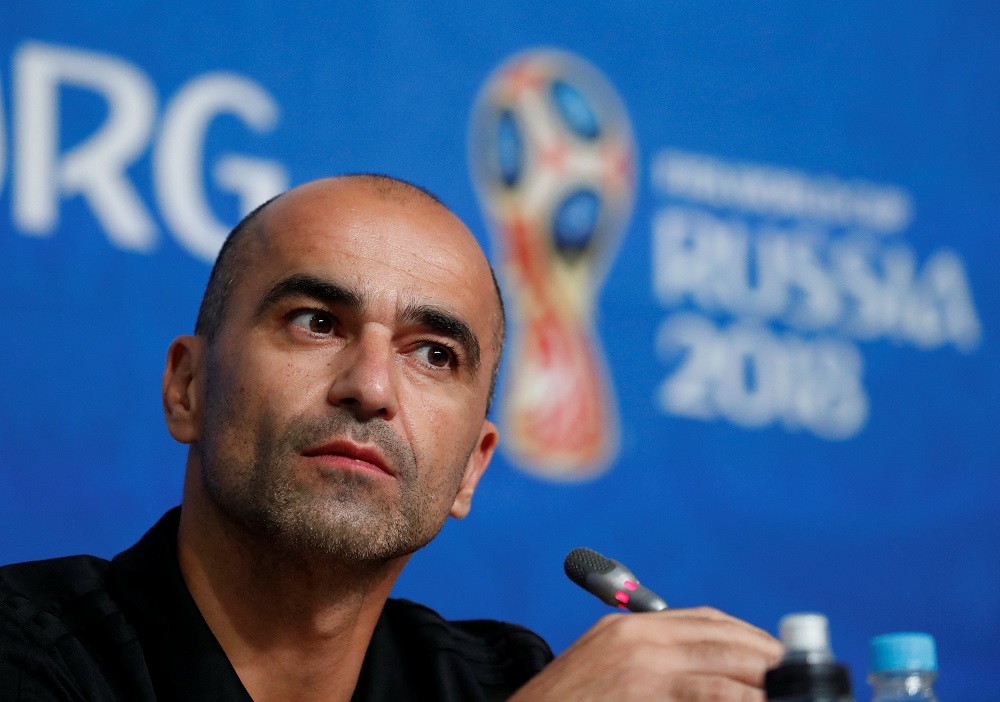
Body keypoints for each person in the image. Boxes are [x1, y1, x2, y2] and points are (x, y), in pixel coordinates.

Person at [0, 175, 783, 701]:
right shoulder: (25, 654)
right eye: (316, 322)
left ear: (471, 468)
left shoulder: (503, 682)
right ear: (188, 388)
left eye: (433, 355)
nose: (371, 388)